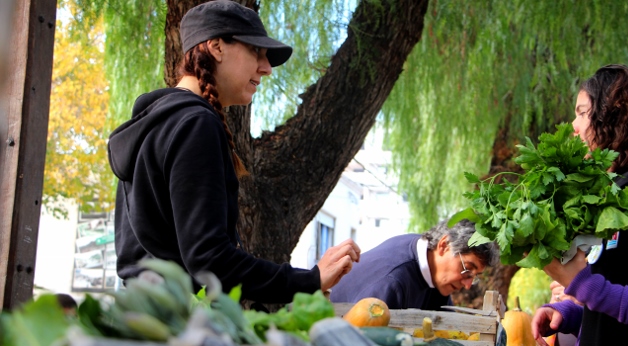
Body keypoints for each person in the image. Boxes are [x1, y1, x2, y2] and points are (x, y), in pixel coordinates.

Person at [107, 0, 360, 305]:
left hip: (142, 315)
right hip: (173, 325)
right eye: (256, 52)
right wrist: (310, 279)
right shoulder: (194, 125)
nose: (266, 69)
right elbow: (209, 260)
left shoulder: (158, 123)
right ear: (216, 47)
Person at [531, 64, 628, 346]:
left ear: (615, 114)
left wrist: (585, 286)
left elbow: (604, 291)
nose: (574, 126)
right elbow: (619, 300)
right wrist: (575, 314)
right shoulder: (617, 191)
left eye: (581, 113)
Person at [329, 219, 498, 310]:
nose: (468, 285)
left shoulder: (435, 274)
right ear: (444, 245)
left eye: (474, 278)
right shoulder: (391, 283)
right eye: (467, 269)